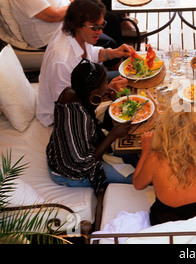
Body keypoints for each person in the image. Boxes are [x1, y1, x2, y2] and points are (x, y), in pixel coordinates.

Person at [37, 0, 131, 127]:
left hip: (84, 89)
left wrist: (114, 52)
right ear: (77, 25)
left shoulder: (75, 34)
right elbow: (68, 105)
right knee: (125, 119)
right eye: (94, 27)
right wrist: (107, 92)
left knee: (127, 78)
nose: (100, 31)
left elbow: (91, 54)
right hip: (65, 116)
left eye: (102, 25)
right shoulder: (61, 62)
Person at [46, 59, 134, 194]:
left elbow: (89, 103)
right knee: (134, 177)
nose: (107, 86)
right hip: (73, 171)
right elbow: (83, 164)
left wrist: (104, 94)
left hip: (75, 150)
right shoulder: (79, 118)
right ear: (93, 93)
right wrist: (112, 135)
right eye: (105, 84)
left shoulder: (70, 92)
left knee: (132, 154)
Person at [133, 109, 196, 226]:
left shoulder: (155, 159)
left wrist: (146, 150)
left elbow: (137, 185)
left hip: (166, 223)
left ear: (164, 132)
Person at [6, 0, 76, 48]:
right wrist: (75, 5)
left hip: (69, 23)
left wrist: (75, 5)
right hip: (50, 39)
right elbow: (54, 17)